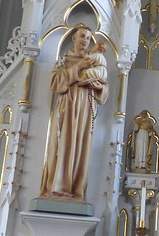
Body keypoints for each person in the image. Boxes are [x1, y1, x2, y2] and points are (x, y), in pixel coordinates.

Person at [39, 25, 109, 201]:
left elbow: (103, 85)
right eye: (82, 36)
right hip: (66, 109)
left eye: (88, 38)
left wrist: (100, 87)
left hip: (85, 110)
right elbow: (55, 83)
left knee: (80, 147)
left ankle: (75, 192)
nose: (85, 40)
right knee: (61, 145)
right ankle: (56, 189)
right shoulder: (64, 60)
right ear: (74, 38)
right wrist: (78, 66)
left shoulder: (93, 60)